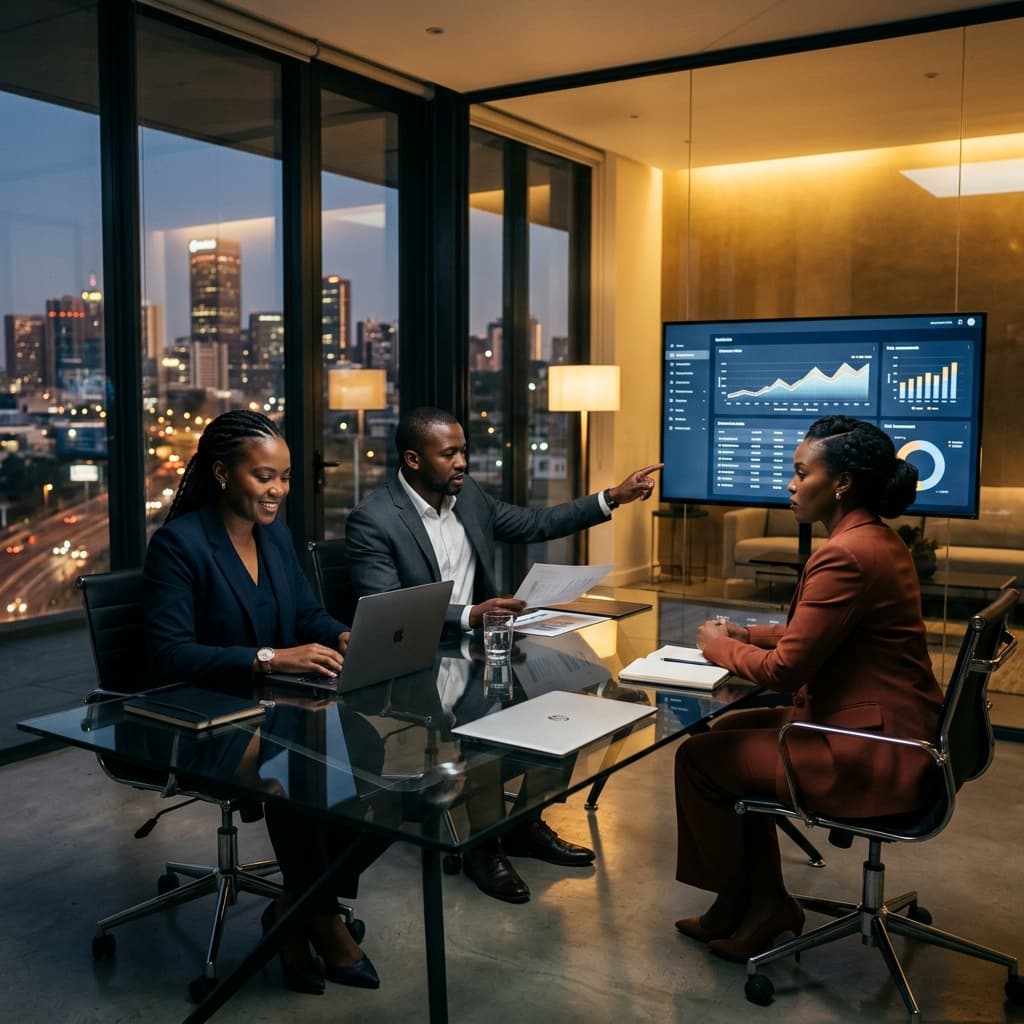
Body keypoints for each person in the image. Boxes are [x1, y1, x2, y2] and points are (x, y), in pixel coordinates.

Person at [344, 405, 661, 903]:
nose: (462, 462)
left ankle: (524, 825)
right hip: (421, 664)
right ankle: (482, 847)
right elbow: (391, 612)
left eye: (464, 450)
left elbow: (536, 522)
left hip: (485, 649)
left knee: (565, 700)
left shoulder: (467, 498)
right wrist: (470, 613)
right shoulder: (375, 519)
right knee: (486, 728)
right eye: (449, 453)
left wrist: (611, 498)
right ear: (412, 459)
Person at [673, 415, 944, 963]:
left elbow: (785, 671)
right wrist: (747, 633)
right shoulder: (875, 541)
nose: (790, 485)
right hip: (891, 729)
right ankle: (754, 902)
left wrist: (715, 646)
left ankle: (753, 902)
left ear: (840, 483)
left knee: (699, 759)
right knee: (728, 731)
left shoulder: (844, 555)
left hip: (872, 753)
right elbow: (820, 631)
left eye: (801, 473)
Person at [144, 410, 386, 996]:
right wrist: (270, 659)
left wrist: (339, 634)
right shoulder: (179, 545)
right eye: (263, 476)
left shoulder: (273, 538)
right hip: (204, 714)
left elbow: (305, 615)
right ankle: (323, 923)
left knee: (378, 765)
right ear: (223, 474)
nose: (277, 490)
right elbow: (170, 654)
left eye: (284, 477)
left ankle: (291, 908)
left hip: (282, 702)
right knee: (296, 771)